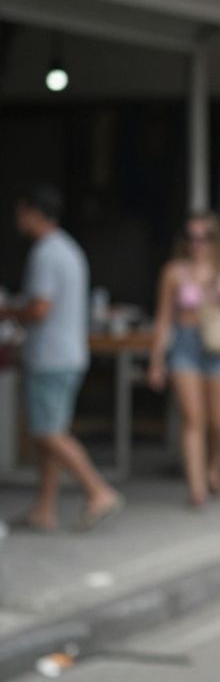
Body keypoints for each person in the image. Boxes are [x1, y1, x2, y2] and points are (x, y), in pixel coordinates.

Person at [1, 186, 122, 531]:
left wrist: (8, 311)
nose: (17, 218)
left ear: (32, 212)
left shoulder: (45, 253)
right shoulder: (68, 248)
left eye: (20, 210)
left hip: (49, 356)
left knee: (47, 433)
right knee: (50, 433)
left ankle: (98, 490)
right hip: (68, 353)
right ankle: (44, 508)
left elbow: (39, 308)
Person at [148, 213, 220, 507]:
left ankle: (212, 467)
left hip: (217, 346)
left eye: (204, 237)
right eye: (191, 237)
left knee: (219, 422)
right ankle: (196, 487)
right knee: (192, 419)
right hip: (185, 343)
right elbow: (163, 319)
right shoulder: (174, 271)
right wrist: (156, 360)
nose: (197, 243)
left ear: (215, 240)